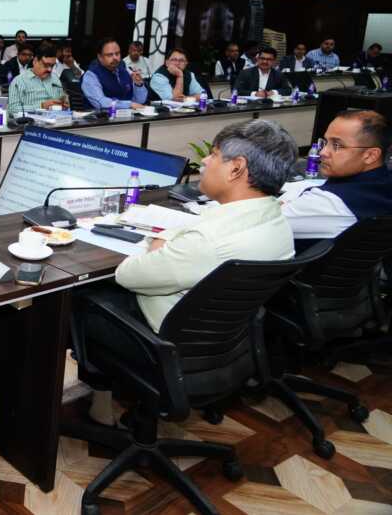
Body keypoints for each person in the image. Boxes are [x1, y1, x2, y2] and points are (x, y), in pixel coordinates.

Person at [82, 119, 297, 426]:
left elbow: (128, 275)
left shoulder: (207, 241)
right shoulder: (277, 222)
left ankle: (93, 398)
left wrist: (159, 241)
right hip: (224, 342)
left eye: (214, 154)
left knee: (75, 298)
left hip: (164, 345)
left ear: (236, 168)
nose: (204, 161)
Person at [281, 110, 392, 246]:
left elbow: (261, 223)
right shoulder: (382, 182)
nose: (323, 152)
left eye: (337, 145)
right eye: (325, 142)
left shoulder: (331, 202)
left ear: (370, 155)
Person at [81, 37, 147, 110]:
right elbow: (101, 103)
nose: (115, 58)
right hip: (101, 116)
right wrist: (129, 104)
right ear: (100, 57)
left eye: (117, 54)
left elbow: (140, 101)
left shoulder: (124, 69)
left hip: (127, 115)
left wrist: (139, 85)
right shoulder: (91, 75)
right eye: (109, 55)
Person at [7, 46, 67, 115]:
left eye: (52, 66)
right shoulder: (19, 81)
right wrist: (41, 106)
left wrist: (64, 104)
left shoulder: (55, 79)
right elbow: (12, 109)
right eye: (46, 65)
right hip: (31, 120)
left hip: (57, 118)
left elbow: (61, 102)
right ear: (35, 61)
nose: (49, 69)